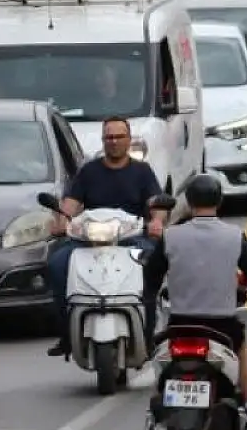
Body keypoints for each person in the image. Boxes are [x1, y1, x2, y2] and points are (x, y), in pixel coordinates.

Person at [143, 173, 247, 430]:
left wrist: (153, 297)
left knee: (162, 364)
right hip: (221, 326)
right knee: (244, 350)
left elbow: (151, 277)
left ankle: (151, 418)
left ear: (188, 202)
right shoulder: (235, 236)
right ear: (220, 200)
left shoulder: (171, 236)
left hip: (180, 325)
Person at [45, 116, 167, 357]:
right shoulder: (88, 171)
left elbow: (156, 202)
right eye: (108, 137)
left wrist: (156, 221)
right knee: (58, 264)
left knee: (151, 264)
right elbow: (70, 203)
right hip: (89, 239)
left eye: (119, 137)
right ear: (103, 141)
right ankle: (67, 333)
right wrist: (62, 221)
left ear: (128, 140)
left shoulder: (142, 171)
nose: (113, 142)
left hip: (131, 237)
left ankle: (148, 332)